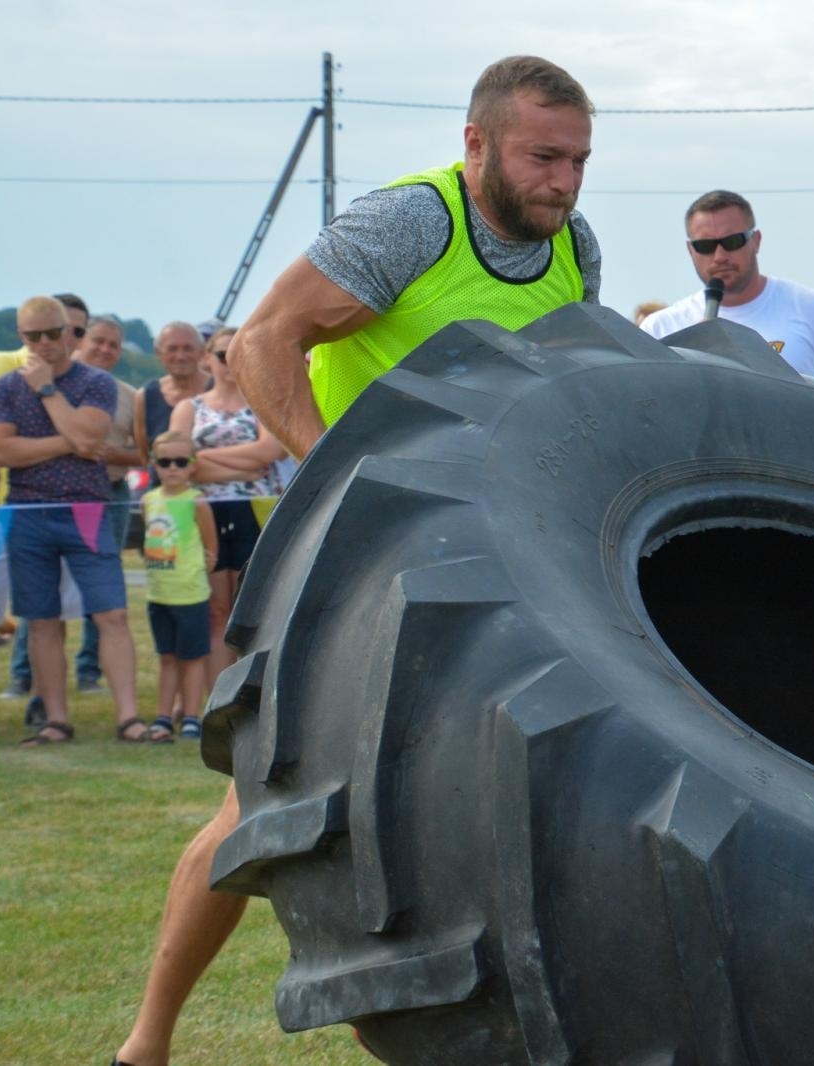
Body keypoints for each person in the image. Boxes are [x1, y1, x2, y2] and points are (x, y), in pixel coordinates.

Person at [114, 54, 601, 1066]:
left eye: (578, 161)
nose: (562, 181)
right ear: (475, 146)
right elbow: (261, 342)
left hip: (496, 562)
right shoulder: (411, 225)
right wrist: (338, 473)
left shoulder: (573, 249)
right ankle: (146, 1045)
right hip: (359, 560)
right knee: (259, 809)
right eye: (541, 157)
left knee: (543, 796)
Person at [0, 296, 146, 745]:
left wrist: (46, 391)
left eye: (52, 333)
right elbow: (4, 452)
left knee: (113, 613)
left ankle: (129, 718)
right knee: (40, 620)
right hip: (27, 511)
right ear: (22, 337)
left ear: (68, 332)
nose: (44, 343)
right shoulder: (4, 388)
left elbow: (90, 435)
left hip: (87, 508)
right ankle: (55, 719)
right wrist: (71, 442)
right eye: (33, 335)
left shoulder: (96, 382)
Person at [169, 326, 285, 704]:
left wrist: (204, 458)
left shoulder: (262, 398)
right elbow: (177, 462)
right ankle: (220, 699)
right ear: (207, 359)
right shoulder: (189, 408)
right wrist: (242, 465)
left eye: (237, 353)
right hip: (205, 513)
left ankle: (255, 695)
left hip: (255, 511)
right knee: (217, 609)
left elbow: (268, 453)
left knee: (252, 610)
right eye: (222, 355)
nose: (229, 362)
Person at [638, 190, 814, 377]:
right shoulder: (661, 328)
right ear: (690, 250)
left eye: (732, 242)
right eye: (705, 246)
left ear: (755, 241)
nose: (719, 256)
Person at [74, 315, 141, 694]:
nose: (104, 350)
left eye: (112, 345)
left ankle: (88, 669)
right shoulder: (56, 387)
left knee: (101, 584)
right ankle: (24, 673)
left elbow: (144, 453)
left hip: (110, 493)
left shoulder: (130, 395)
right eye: (98, 341)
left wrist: (111, 452)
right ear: (81, 342)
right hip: (58, 497)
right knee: (44, 586)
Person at [140, 431, 217, 742]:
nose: (172, 468)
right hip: (158, 594)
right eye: (165, 461)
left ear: (192, 466)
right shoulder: (148, 500)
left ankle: (191, 716)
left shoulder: (196, 501)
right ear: (154, 464)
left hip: (190, 594)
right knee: (167, 657)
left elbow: (211, 548)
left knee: (193, 657)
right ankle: (162, 716)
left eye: (180, 462)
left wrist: (196, 570)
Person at [134, 322, 211, 485]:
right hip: (166, 495)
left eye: (188, 348)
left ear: (202, 352)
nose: (180, 356)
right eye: (172, 349)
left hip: (218, 491)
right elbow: (144, 453)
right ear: (158, 353)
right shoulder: (145, 396)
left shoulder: (220, 389)